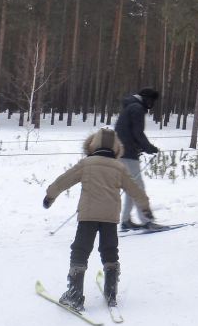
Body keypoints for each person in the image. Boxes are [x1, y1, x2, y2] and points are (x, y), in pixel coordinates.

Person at [43, 128, 152, 311]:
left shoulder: (87, 163)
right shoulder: (119, 167)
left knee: (80, 250)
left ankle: (75, 295)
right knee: (109, 250)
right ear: (116, 147)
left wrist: (50, 196)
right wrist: (145, 207)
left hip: (88, 216)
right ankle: (111, 292)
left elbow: (64, 180)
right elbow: (134, 190)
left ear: (93, 145)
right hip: (110, 217)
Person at [114, 87, 160, 230]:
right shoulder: (137, 109)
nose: (152, 105)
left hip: (122, 152)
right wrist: (149, 147)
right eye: (152, 101)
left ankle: (126, 220)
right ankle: (147, 221)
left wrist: (141, 146)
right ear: (146, 98)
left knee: (130, 188)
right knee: (138, 188)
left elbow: (128, 131)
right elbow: (137, 133)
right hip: (128, 154)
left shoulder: (131, 106)